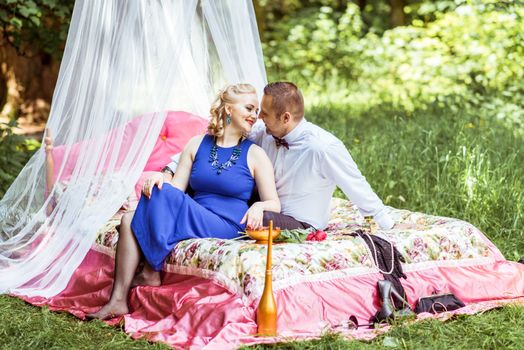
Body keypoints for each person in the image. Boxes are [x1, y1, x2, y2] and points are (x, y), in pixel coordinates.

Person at [88, 83, 280, 320]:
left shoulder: (255, 154)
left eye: (256, 110)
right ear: (229, 109)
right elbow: (176, 191)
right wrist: (161, 177)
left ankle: (150, 270)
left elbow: (274, 203)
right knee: (129, 218)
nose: (254, 115)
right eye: (249, 108)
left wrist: (259, 205)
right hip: (195, 215)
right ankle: (118, 300)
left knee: (157, 196)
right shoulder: (196, 144)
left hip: (228, 225)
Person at [250, 82, 406, 231]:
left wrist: (387, 224)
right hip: (266, 208)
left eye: (265, 113)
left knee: (261, 219)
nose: (259, 117)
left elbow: (355, 185)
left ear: (285, 118)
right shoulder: (265, 133)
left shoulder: (323, 147)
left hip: (302, 223)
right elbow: (238, 132)